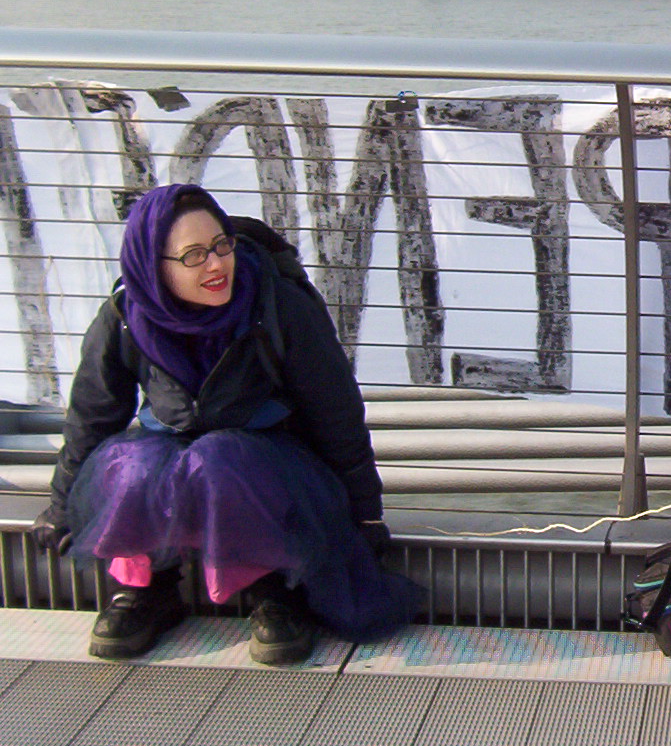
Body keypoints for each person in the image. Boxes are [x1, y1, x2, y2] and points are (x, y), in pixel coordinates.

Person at [31, 184, 418, 664]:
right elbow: (92, 414)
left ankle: (276, 590)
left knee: (221, 459)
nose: (216, 265)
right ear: (154, 267)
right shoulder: (125, 317)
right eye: (193, 255)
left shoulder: (278, 305)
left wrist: (366, 514)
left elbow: (336, 413)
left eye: (221, 245)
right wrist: (61, 504)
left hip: (274, 467)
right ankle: (148, 591)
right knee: (129, 464)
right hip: (175, 459)